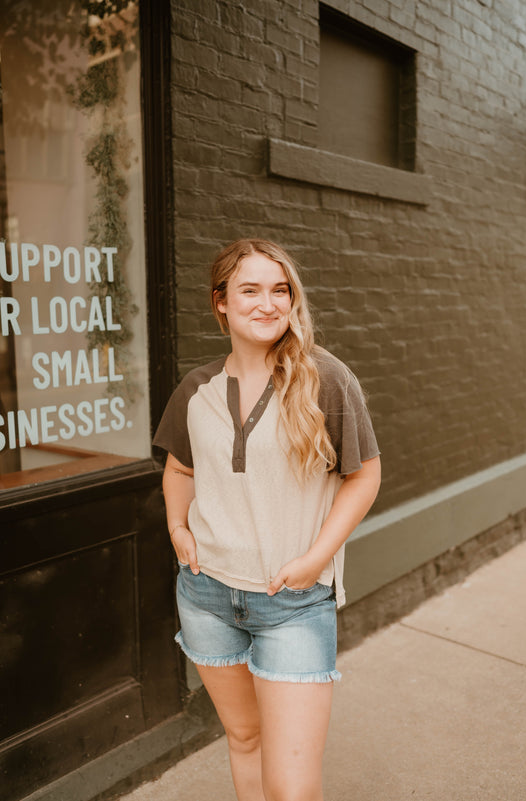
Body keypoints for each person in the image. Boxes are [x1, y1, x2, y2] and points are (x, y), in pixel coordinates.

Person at [153, 239, 381, 801]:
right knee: (245, 738)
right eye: (249, 290)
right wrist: (177, 529)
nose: (268, 303)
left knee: (293, 788)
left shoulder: (325, 378)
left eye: (279, 290)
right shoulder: (195, 389)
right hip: (206, 595)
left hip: (294, 602)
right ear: (221, 304)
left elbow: (365, 476)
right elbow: (179, 470)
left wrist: (315, 561)